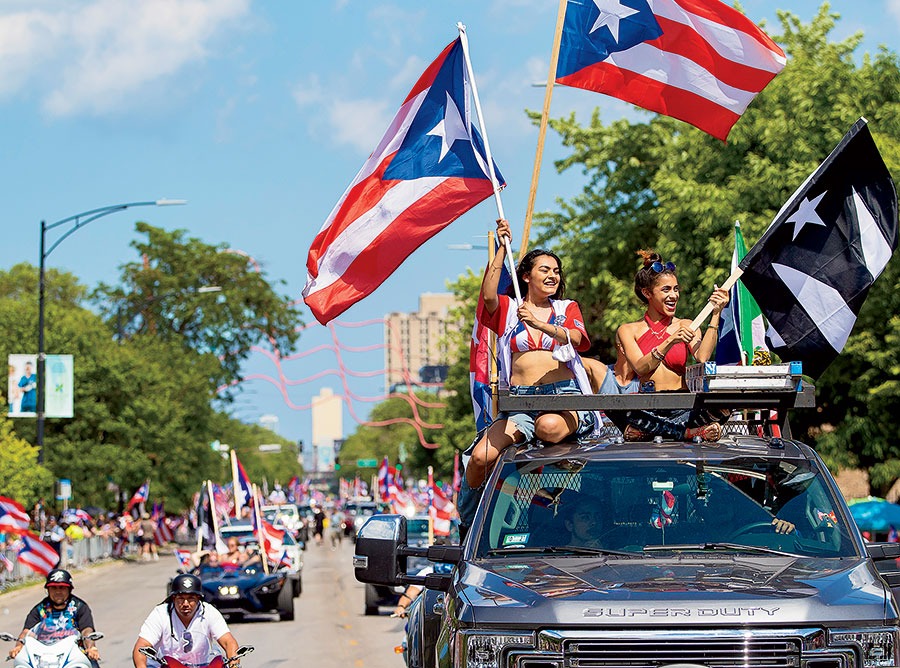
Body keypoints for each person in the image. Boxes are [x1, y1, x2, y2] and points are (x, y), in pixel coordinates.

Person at [466, 219, 596, 490]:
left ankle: (548, 477)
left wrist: (540, 325)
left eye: (557, 271)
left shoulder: (566, 307)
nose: (553, 276)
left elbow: (576, 339)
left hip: (563, 397)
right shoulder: (511, 310)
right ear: (526, 276)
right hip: (520, 403)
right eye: (545, 270)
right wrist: (503, 248)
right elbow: (488, 296)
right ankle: (473, 515)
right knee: (480, 457)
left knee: (548, 427)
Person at [615, 250, 730, 441]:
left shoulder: (686, 325)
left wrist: (716, 314)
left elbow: (702, 358)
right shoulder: (628, 330)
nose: (674, 295)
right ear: (647, 293)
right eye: (666, 290)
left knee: (727, 402)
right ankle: (687, 434)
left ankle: (654, 432)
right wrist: (670, 341)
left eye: (676, 289)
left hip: (683, 407)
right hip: (648, 407)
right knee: (612, 405)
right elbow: (641, 368)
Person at [132, 573, 241, 668]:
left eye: (191, 599)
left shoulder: (209, 612)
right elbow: (142, 645)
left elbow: (228, 642)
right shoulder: (161, 613)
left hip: (202, 666)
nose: (185, 604)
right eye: (180, 598)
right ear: (173, 598)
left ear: (198, 598)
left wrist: (234, 665)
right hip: (164, 666)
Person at [7, 569, 101, 666]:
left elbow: (87, 630)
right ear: (48, 590)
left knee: (91, 664)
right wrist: (18, 646)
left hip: (73, 655)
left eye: (62, 588)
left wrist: (91, 647)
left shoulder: (79, 607)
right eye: (53, 588)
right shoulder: (40, 609)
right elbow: (26, 632)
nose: (58, 592)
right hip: (43, 657)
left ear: (69, 589)